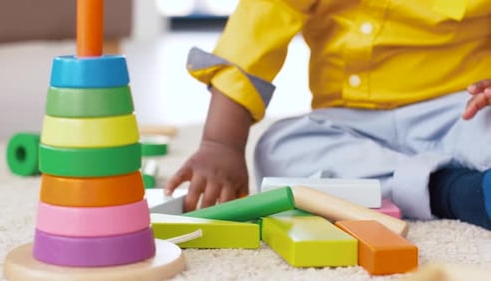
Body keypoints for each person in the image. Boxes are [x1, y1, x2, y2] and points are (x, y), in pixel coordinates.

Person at [164, 0, 491, 230]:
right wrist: (221, 143)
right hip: (350, 125)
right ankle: (456, 191)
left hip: (460, 110)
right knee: (277, 150)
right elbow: (255, 31)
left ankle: (438, 185)